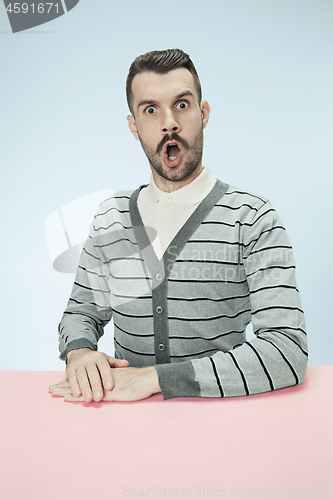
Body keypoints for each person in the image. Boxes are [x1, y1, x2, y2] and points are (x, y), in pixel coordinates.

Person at [49, 48, 308, 403]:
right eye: (151, 110)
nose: (168, 122)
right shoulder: (111, 216)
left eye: (182, 105)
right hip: (120, 431)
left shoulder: (253, 218)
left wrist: (155, 379)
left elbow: (286, 352)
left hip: (223, 426)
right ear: (134, 126)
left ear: (203, 114)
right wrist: (79, 353)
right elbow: (81, 313)